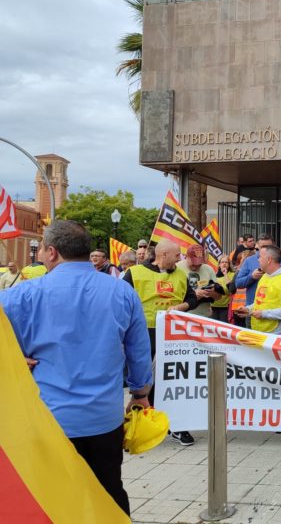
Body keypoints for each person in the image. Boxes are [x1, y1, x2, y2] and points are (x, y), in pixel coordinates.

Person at [1, 220, 152, 515]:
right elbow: (139, 350)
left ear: (53, 252)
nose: (40, 256)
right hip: (104, 418)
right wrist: (140, 392)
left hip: (48, 418)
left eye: (41, 250)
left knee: (52, 496)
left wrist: (15, 359)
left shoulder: (23, 295)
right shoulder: (122, 292)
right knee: (109, 490)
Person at [123, 239, 198, 446]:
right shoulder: (135, 273)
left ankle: (174, 424)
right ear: (163, 255)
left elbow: (192, 299)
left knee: (170, 378)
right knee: (142, 380)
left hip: (172, 333)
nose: (179, 258)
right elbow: (121, 301)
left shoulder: (181, 275)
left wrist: (182, 306)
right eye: (176, 255)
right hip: (142, 332)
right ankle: (138, 424)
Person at [237, 245, 281, 334]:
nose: (258, 260)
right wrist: (248, 309)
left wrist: (263, 314)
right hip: (259, 330)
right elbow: (262, 302)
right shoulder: (265, 276)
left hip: (278, 332)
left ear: (269, 260)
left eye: (260, 257)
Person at [233, 234, 273, 326]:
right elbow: (238, 283)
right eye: (263, 246)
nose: (266, 250)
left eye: (269, 247)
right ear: (257, 246)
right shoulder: (249, 261)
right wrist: (252, 277)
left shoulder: (280, 261)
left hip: (272, 310)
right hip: (252, 309)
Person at [177, 244, 223, 318]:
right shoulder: (177, 268)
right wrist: (193, 295)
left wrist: (212, 293)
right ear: (187, 257)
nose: (196, 266)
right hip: (181, 317)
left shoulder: (209, 269)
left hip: (204, 317)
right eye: (194, 263)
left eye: (199, 263)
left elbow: (219, 297)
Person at [210, 256, 235, 322]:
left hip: (225, 307)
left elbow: (231, 289)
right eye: (222, 262)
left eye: (226, 262)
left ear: (229, 264)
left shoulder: (232, 275)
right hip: (213, 306)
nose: (224, 264)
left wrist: (225, 274)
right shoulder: (213, 275)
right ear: (219, 264)